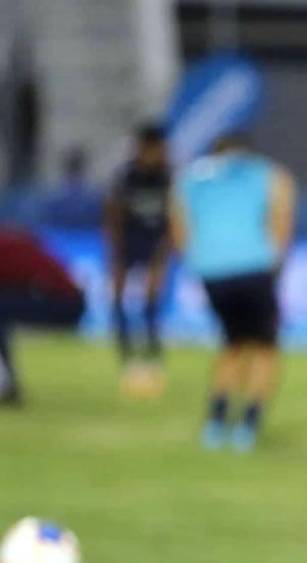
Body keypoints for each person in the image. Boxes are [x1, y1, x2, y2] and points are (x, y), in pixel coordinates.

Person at [170, 134, 296, 452]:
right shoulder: (269, 174)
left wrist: (198, 262)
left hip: (212, 270)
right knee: (265, 348)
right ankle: (248, 425)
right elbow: (280, 220)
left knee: (232, 343)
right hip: (254, 267)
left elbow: (180, 227)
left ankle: (216, 421)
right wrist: (274, 263)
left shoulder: (190, 178)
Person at [104, 123, 172, 396]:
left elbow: (173, 215)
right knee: (119, 294)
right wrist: (116, 251)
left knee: (152, 296)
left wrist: (165, 250)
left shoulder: (168, 176)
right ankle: (125, 347)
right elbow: (113, 214)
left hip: (154, 243)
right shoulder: (126, 177)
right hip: (128, 241)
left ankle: (152, 348)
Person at [0, 228, 86, 406]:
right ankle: (7, 383)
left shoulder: (8, 246)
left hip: (65, 303)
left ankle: (7, 384)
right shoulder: (12, 240)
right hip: (63, 298)